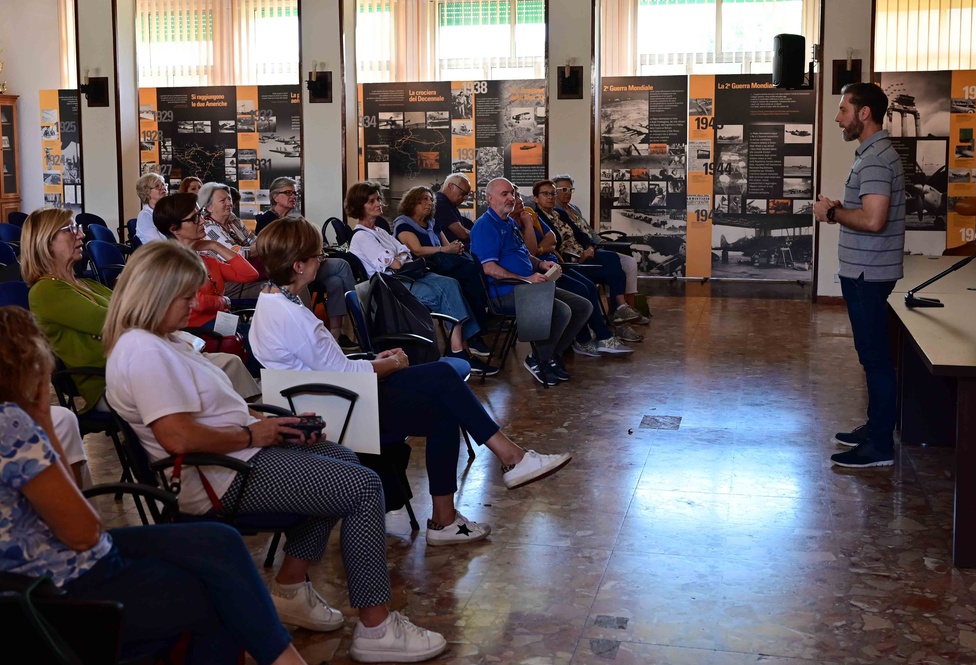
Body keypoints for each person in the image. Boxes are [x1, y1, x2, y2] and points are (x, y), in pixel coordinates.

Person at [102, 242, 447, 662]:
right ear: (155, 294)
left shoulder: (162, 340)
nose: (194, 303)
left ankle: (291, 586)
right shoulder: (142, 350)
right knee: (362, 487)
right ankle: (376, 628)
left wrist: (278, 428)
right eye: (185, 296)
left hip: (234, 460)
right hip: (218, 477)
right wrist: (257, 435)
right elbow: (177, 437)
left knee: (342, 457)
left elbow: (212, 408)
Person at [0, 305, 308, 665]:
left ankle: (283, 658)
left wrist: (40, 421)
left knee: (217, 541)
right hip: (54, 583)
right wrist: (39, 417)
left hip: (41, 568)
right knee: (217, 595)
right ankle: (284, 659)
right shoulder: (12, 426)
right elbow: (84, 532)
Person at [250, 218, 573, 544]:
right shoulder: (294, 315)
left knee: (444, 411)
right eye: (317, 256)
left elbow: (323, 365)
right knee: (443, 375)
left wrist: (374, 361)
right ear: (298, 265)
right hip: (336, 411)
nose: (322, 261)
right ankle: (511, 457)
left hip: (329, 399)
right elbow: (342, 375)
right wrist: (389, 364)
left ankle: (446, 519)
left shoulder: (272, 301)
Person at [21, 207, 261, 405]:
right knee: (220, 370)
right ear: (46, 241)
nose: (81, 235)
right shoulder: (46, 291)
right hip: (113, 378)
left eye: (78, 228)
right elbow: (116, 322)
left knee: (229, 363)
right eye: (71, 229)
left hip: (142, 362)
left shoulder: (85, 283)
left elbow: (132, 309)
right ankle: (241, 434)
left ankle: (248, 426)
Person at [813, 82, 905, 469]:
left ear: (864, 113)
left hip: (868, 273)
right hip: (864, 271)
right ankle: (876, 428)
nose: (838, 118)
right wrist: (840, 207)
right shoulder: (870, 154)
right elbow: (868, 211)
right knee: (872, 357)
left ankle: (880, 446)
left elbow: (873, 219)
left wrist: (832, 214)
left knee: (875, 359)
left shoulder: (876, 160)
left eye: (843, 110)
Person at [346, 181, 495, 375]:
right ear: (360, 206)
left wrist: (397, 256)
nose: (378, 203)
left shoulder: (380, 231)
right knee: (444, 290)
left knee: (451, 283)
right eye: (371, 201)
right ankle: (461, 349)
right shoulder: (361, 236)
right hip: (391, 289)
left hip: (405, 277)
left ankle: (458, 346)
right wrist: (397, 257)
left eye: (378, 199)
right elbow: (397, 263)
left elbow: (406, 253)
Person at [470, 178, 592, 386]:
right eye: (505, 194)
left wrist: (541, 264)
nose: (511, 198)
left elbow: (525, 254)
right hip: (506, 291)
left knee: (582, 306)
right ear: (490, 198)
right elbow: (489, 268)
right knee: (561, 311)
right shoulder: (485, 226)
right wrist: (526, 279)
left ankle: (549, 355)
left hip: (530, 286)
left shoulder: (509, 222)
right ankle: (538, 358)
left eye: (513, 194)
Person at [511, 191, 632, 357]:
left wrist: (542, 247)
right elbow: (531, 251)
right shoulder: (517, 222)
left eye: (517, 195)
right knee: (580, 290)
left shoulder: (531, 214)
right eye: (511, 196)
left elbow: (553, 239)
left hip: (553, 263)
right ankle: (585, 340)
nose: (516, 199)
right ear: (536, 198)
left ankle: (607, 330)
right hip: (539, 272)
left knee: (590, 285)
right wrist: (530, 228)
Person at [533, 179, 643, 337]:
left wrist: (589, 247)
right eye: (545, 194)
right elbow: (553, 245)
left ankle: (619, 309)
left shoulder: (560, 214)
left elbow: (581, 234)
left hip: (583, 253)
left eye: (552, 193)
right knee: (614, 273)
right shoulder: (537, 218)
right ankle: (617, 312)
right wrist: (580, 257)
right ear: (536, 198)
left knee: (612, 260)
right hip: (570, 261)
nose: (550, 197)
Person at [393, 185, 490, 356]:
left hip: (441, 265)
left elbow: (446, 246)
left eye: (431, 199)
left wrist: (455, 247)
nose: (429, 202)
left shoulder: (432, 223)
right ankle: (473, 335)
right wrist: (446, 250)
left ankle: (471, 335)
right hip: (422, 270)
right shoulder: (403, 223)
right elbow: (417, 250)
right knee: (467, 277)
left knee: (472, 267)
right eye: (424, 199)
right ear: (412, 202)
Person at [152, 193, 259, 329]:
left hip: (221, 325)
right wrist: (223, 301)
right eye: (195, 218)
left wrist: (215, 245)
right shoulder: (171, 263)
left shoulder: (205, 258)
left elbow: (249, 274)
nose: (202, 220)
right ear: (174, 229)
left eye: (200, 214)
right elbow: (198, 302)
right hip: (198, 332)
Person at [433, 173, 475, 243]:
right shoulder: (441, 203)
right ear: (451, 186)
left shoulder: (450, 204)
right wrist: (481, 236)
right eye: (463, 193)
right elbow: (462, 234)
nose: (466, 198)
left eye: (467, 194)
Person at [134, 173, 168, 244]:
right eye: (157, 186)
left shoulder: (168, 211)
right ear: (147, 193)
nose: (163, 188)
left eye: (163, 184)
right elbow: (158, 244)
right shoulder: (145, 216)